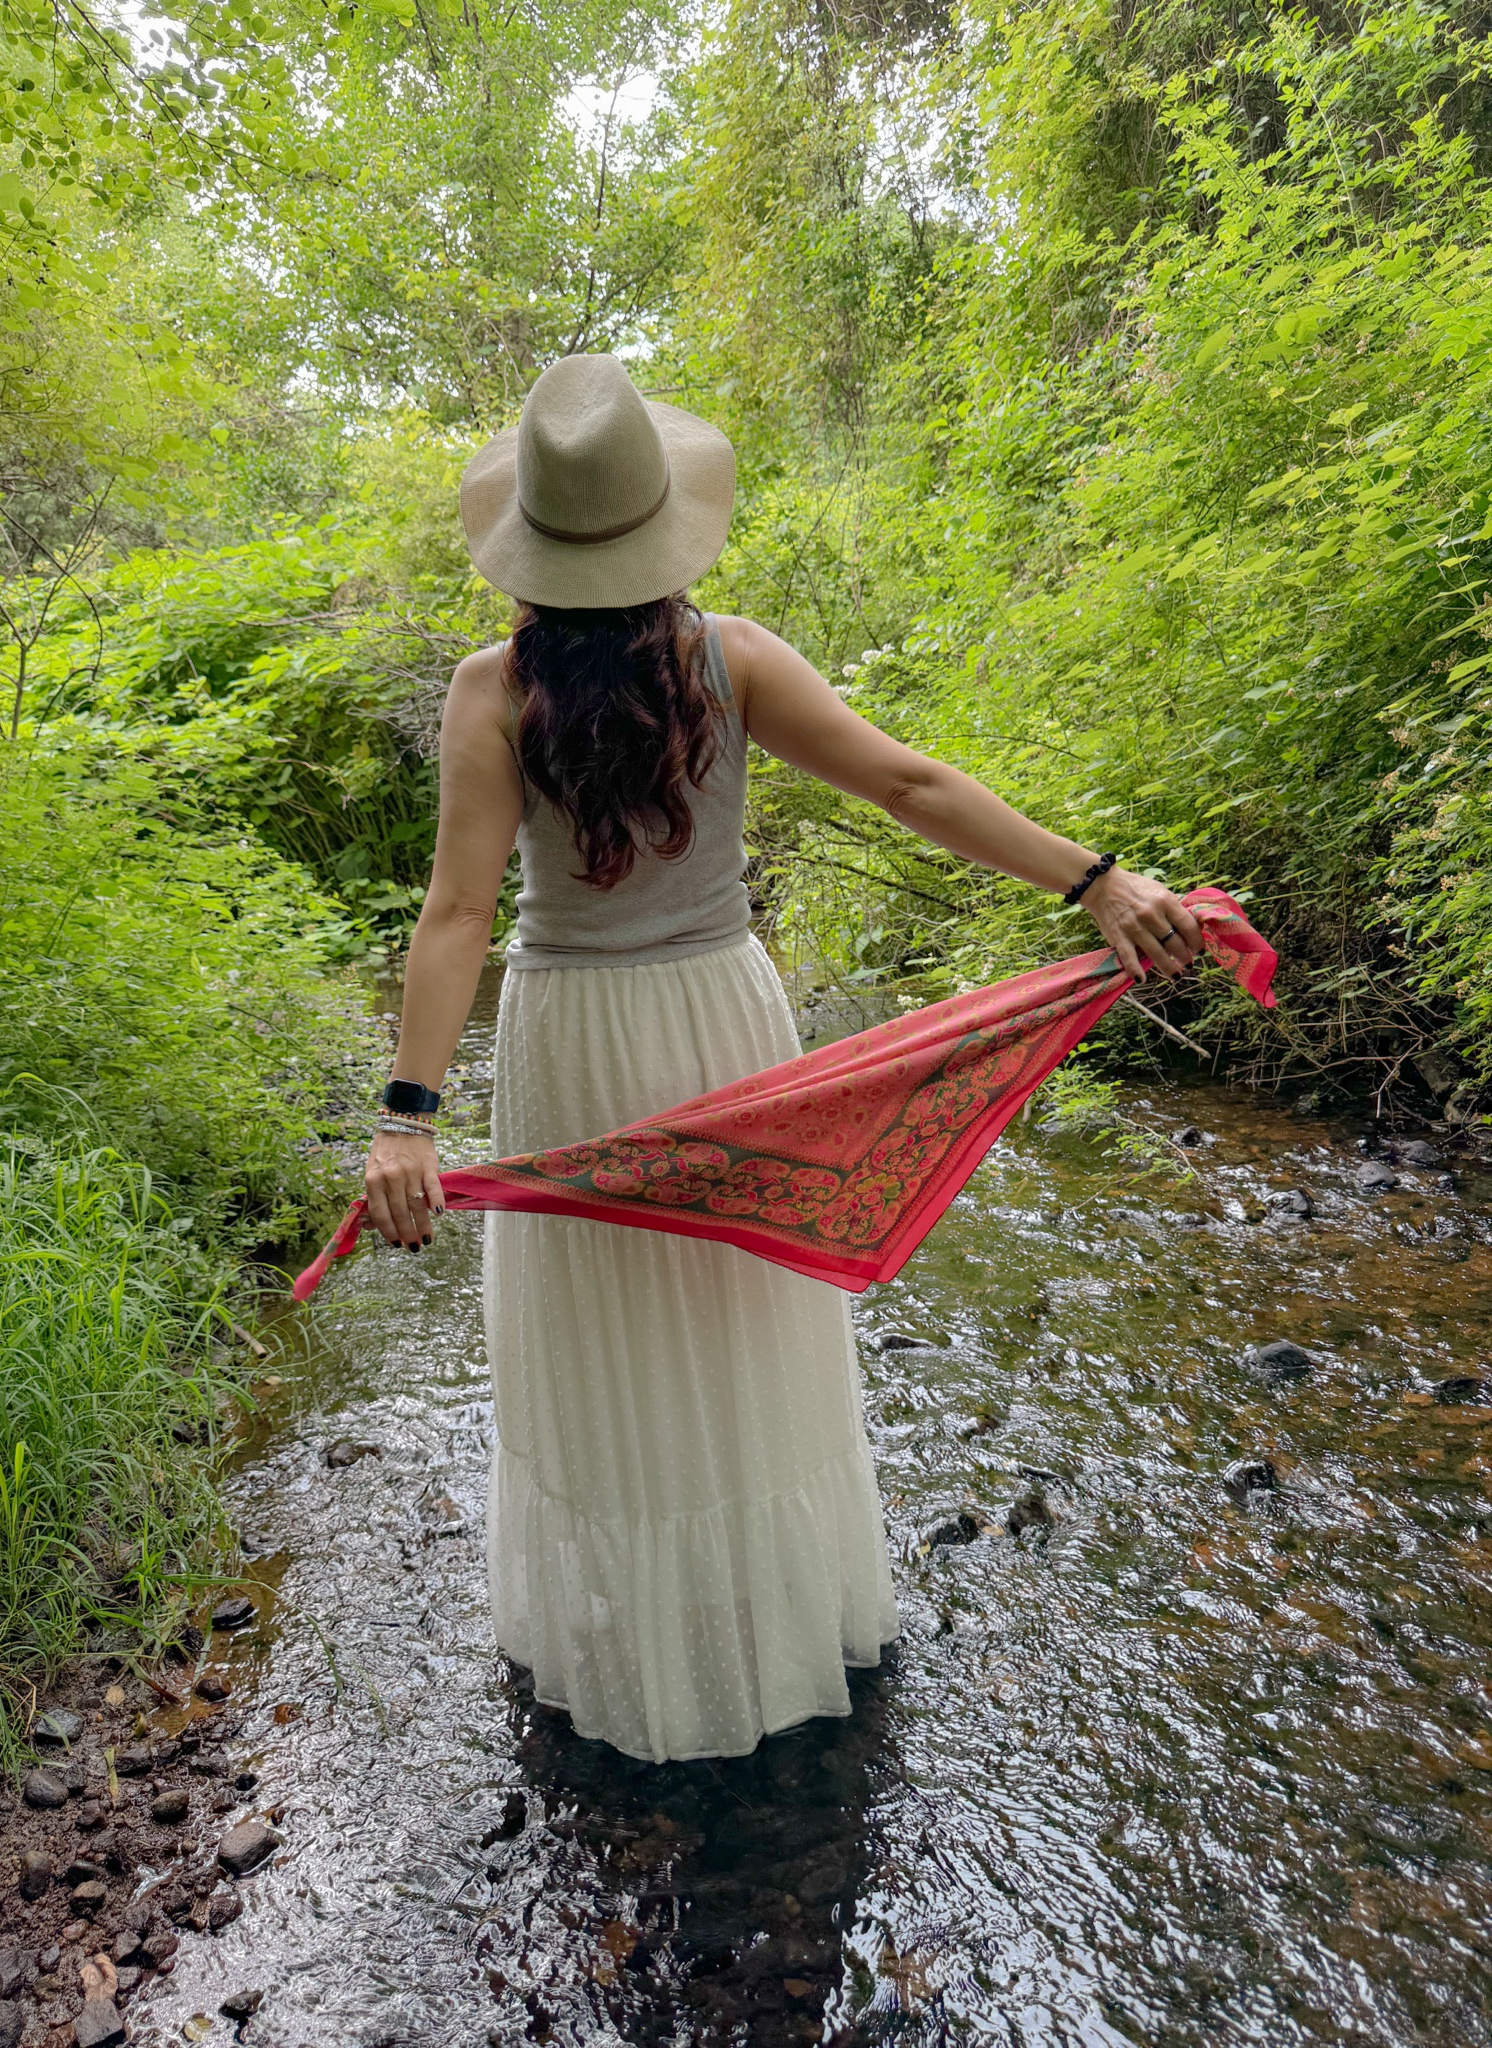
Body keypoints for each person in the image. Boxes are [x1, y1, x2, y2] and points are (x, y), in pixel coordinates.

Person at [365, 354, 1203, 1765]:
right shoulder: (732, 659)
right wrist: (1097, 882)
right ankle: (770, 1628)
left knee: (608, 1334)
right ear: (661, 526)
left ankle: (632, 1653)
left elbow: (456, 914)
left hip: (570, 1039)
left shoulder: (488, 688)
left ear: (531, 543)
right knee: (740, 1323)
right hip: (723, 1026)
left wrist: (408, 1116)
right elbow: (909, 781)